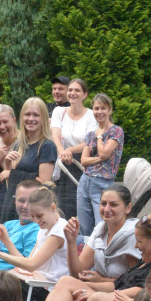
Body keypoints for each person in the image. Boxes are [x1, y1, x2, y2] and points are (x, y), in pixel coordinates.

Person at [0, 183, 68, 291]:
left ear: (53, 207)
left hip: (47, 288)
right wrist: (6, 241)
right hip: (35, 282)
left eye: (39, 215)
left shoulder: (59, 230)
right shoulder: (44, 228)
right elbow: (26, 262)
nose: (36, 220)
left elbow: (32, 265)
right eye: (32, 216)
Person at [0, 97, 56, 223]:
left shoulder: (47, 146)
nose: (31, 119)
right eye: (27, 114)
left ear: (43, 118)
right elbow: (11, 183)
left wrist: (12, 174)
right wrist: (7, 163)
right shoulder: (19, 144)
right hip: (14, 205)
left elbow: (44, 182)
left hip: (33, 210)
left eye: (36, 115)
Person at [77, 93, 125, 236]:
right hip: (85, 181)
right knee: (84, 225)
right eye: (96, 108)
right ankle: (86, 250)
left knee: (102, 225)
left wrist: (99, 137)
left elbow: (104, 153)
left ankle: (102, 250)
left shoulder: (116, 131)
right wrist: (100, 159)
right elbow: (84, 161)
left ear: (110, 110)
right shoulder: (90, 134)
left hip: (102, 183)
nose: (99, 112)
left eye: (103, 108)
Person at [51, 78, 97, 218]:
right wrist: (63, 152)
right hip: (62, 163)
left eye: (77, 90)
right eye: (70, 90)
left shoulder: (91, 115)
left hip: (81, 163)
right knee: (61, 206)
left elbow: (90, 141)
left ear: (85, 95)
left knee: (79, 206)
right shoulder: (59, 111)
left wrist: (69, 150)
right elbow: (55, 135)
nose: (72, 93)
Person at [0, 179, 39, 272]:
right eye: (21, 201)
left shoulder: (37, 230)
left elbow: (27, 267)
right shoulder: (8, 224)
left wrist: (6, 241)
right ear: (15, 200)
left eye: (31, 201)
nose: (25, 206)